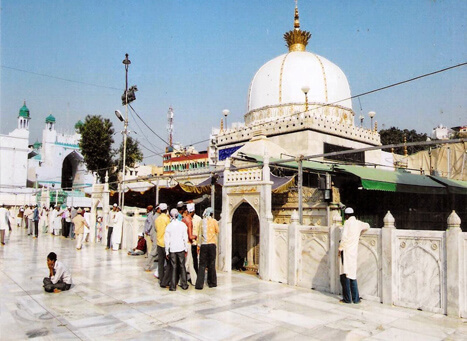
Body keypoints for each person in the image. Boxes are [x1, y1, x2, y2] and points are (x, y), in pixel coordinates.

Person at [338, 207, 370, 304]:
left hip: (346, 251)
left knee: (345, 275)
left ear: (347, 216)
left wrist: (340, 249)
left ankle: (347, 299)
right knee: (352, 275)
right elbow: (368, 226)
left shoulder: (347, 223)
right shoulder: (359, 223)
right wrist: (359, 233)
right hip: (353, 252)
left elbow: (344, 237)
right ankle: (356, 299)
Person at [165, 208, 189, 291]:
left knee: (173, 267)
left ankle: (172, 286)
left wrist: (167, 251)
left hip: (172, 249)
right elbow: (185, 238)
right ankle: (184, 284)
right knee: (182, 266)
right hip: (181, 248)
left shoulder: (169, 226)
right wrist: (186, 248)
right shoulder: (182, 225)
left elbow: (167, 240)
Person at [195, 207, 219, 290]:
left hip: (204, 245)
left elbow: (199, 234)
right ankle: (212, 283)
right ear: (212, 214)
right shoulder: (214, 221)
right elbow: (217, 231)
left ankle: (199, 285)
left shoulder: (202, 222)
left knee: (202, 264)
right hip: (212, 244)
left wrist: (198, 246)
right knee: (211, 263)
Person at [155, 203, 171, 287]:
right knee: (169, 263)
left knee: (160, 263)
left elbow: (156, 229)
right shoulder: (167, 219)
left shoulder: (157, 219)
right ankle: (166, 280)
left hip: (159, 243)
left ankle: (161, 280)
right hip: (165, 243)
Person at [183, 203, 198, 285]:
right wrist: (196, 236)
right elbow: (190, 236)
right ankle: (181, 280)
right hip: (188, 243)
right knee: (187, 264)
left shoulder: (183, 219)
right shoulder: (189, 221)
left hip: (183, 243)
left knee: (190, 263)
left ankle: (194, 281)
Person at [144, 205, 158, 271]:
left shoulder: (155, 216)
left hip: (156, 236)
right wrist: (148, 231)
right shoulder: (155, 217)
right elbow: (151, 226)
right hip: (156, 236)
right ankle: (147, 266)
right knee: (153, 251)